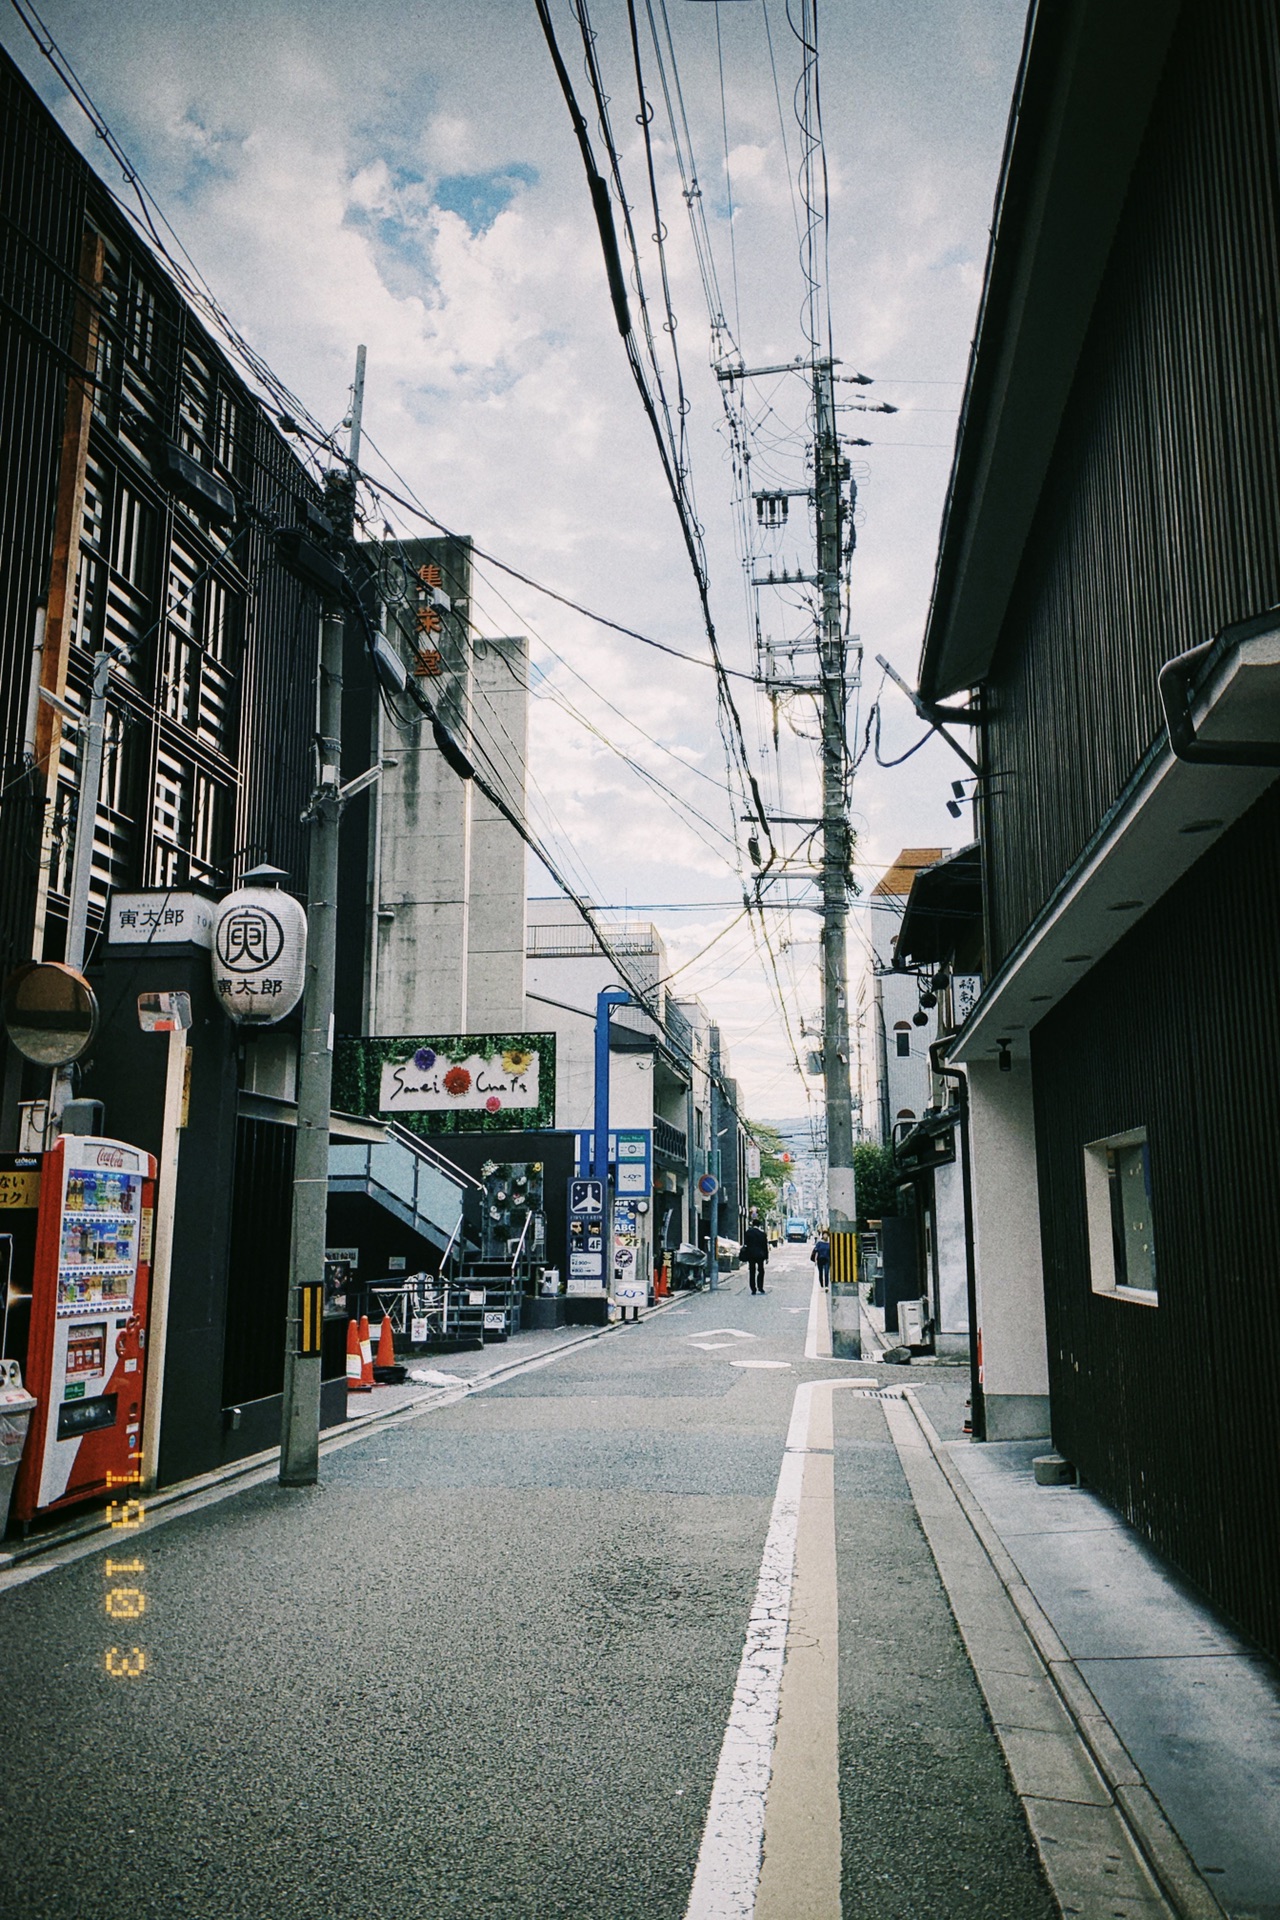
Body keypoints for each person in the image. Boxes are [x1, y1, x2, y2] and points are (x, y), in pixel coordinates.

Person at [741, 1217, 770, 1295]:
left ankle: (753, 1289)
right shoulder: (763, 1234)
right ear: (759, 1225)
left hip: (751, 1255)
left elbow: (746, 1244)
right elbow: (765, 1246)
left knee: (752, 1271)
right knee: (761, 1271)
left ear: (752, 1224)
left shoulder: (748, 1233)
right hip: (760, 1255)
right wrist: (767, 1257)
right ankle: (760, 1287)